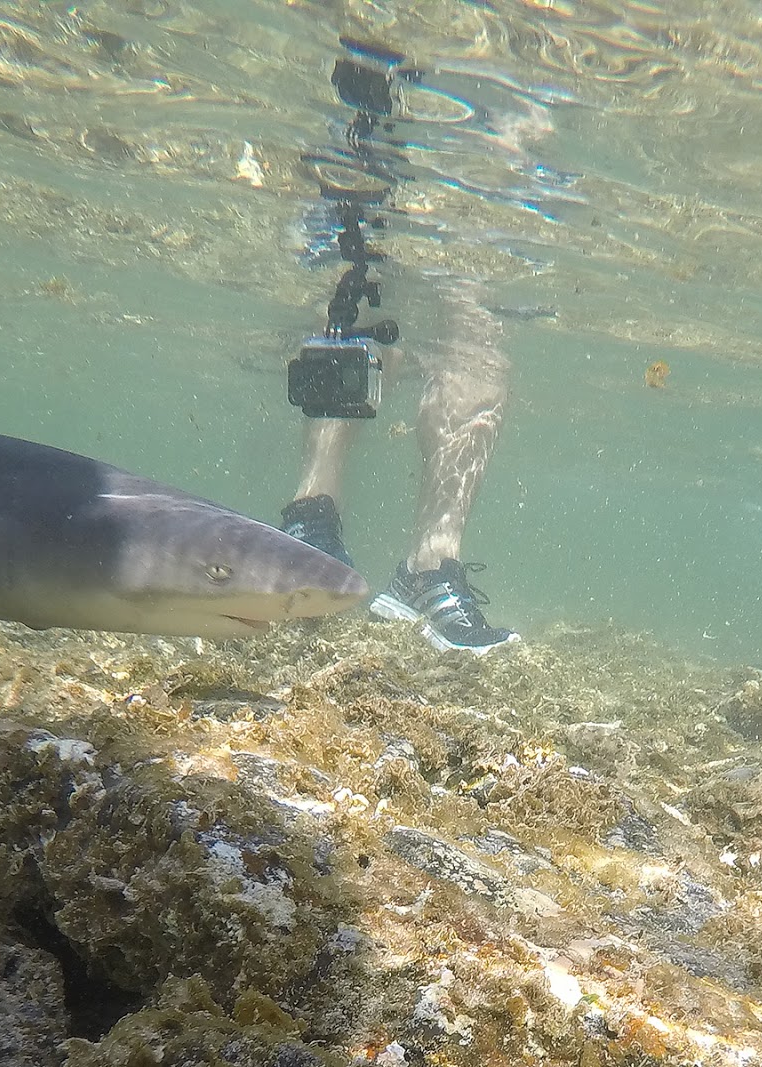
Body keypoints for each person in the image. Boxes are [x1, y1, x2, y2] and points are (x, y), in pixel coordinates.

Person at [279, 39, 520, 655]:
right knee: (345, 319)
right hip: (380, 139)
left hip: (487, 130)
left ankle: (428, 571)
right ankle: (312, 521)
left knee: (474, 351)